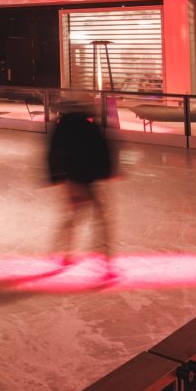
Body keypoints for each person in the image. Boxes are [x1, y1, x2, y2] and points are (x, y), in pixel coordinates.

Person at [47, 105, 117, 278]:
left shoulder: (63, 128)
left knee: (74, 216)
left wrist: (56, 176)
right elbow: (103, 151)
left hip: (73, 180)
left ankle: (65, 253)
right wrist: (107, 172)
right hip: (87, 180)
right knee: (100, 218)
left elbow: (53, 153)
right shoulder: (90, 127)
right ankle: (104, 261)